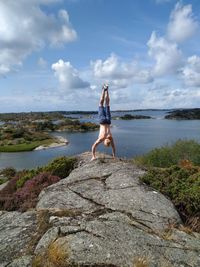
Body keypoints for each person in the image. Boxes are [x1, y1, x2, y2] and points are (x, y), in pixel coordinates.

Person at [91, 84, 116, 160]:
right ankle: (104, 89)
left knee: (107, 104)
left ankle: (106, 89)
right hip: (102, 121)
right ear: (104, 142)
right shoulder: (101, 138)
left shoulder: (110, 137)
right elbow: (94, 146)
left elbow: (114, 147)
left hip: (108, 121)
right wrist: (93, 156)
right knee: (101, 104)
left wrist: (114, 156)